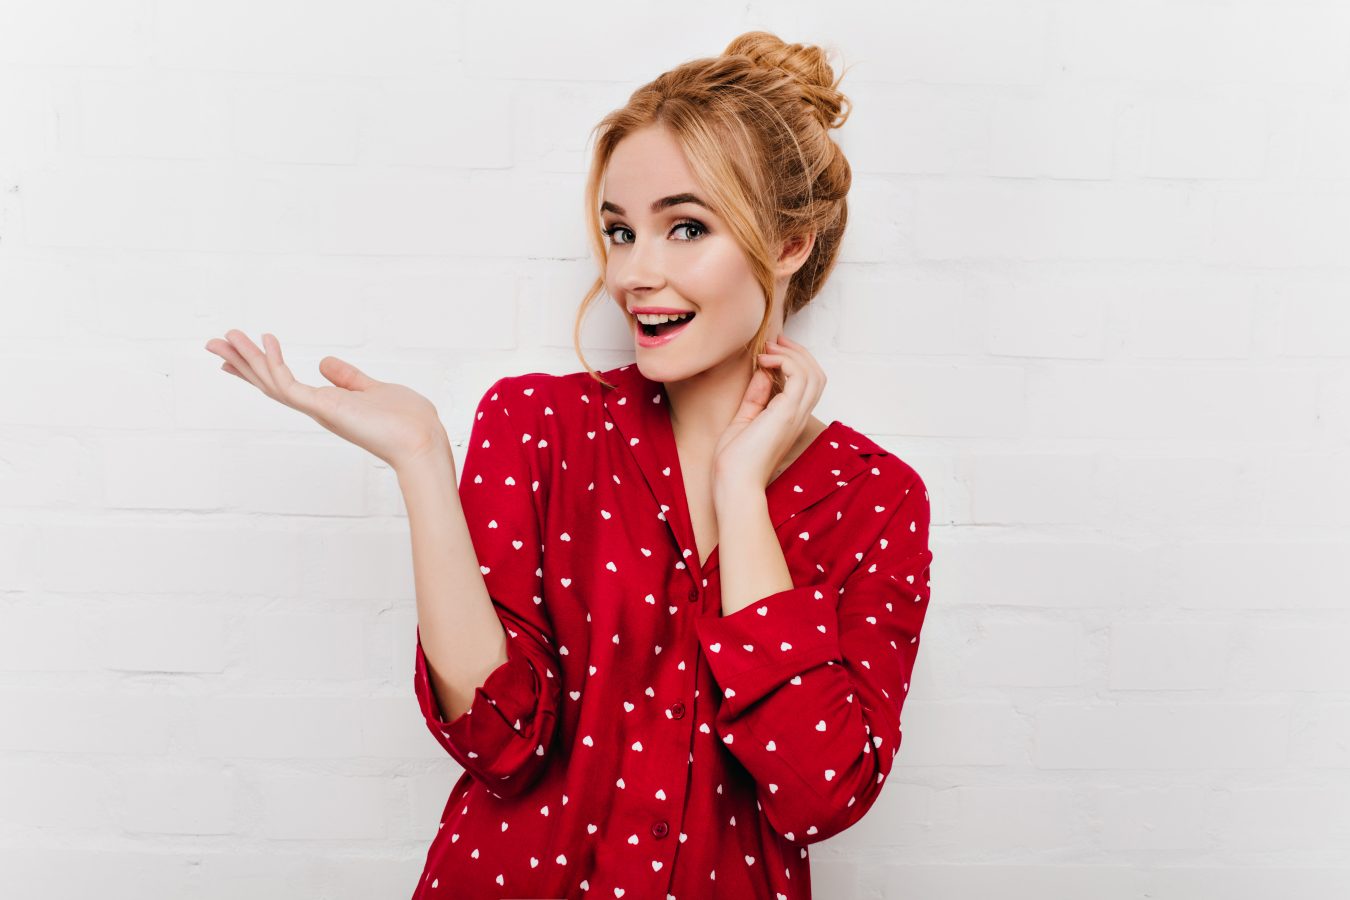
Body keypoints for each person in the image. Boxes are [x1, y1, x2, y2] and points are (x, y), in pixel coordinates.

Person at [205, 30, 933, 900]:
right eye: (620, 233)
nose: (636, 272)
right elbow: (500, 745)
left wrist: (742, 490)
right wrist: (423, 462)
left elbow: (819, 793)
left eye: (685, 227)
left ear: (788, 244)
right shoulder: (539, 427)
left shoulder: (877, 500)